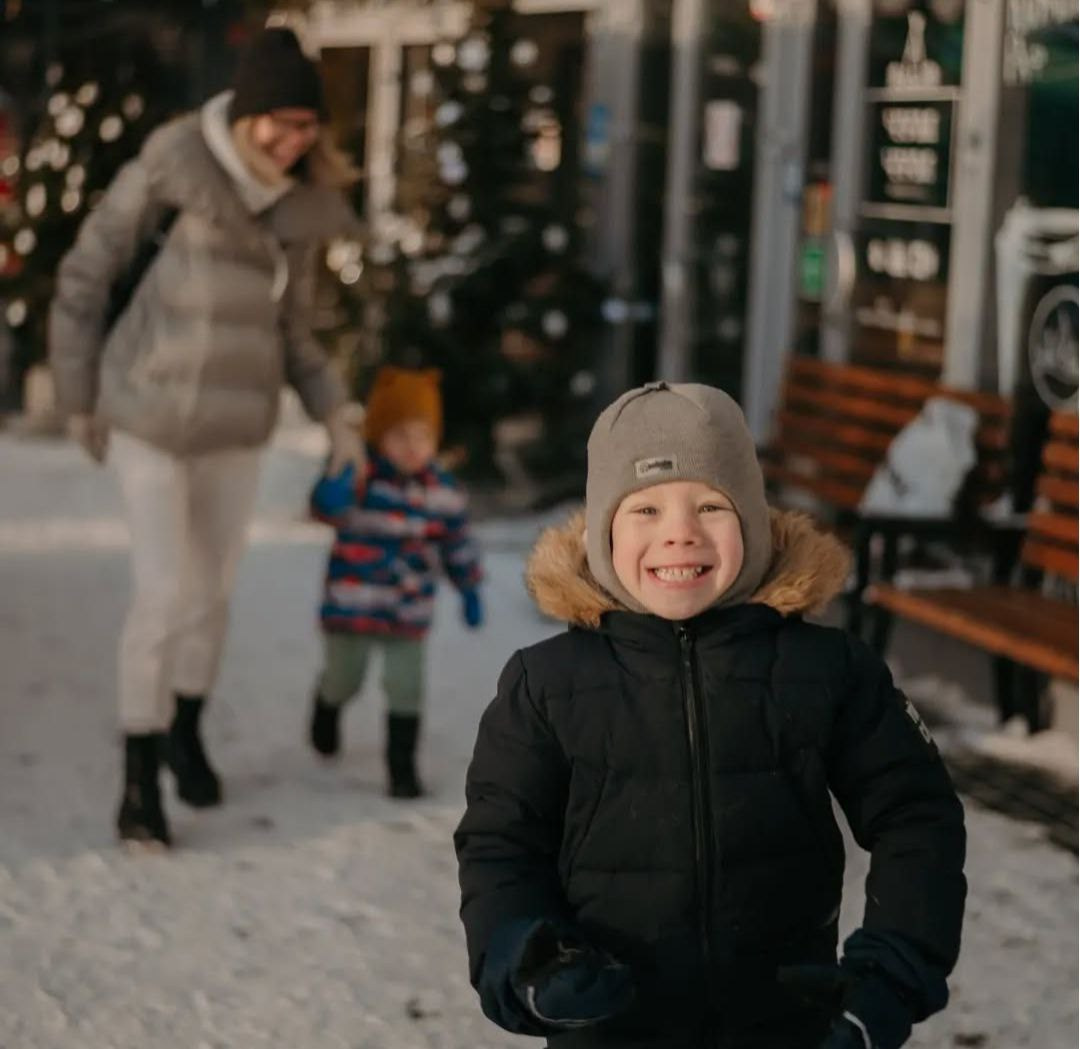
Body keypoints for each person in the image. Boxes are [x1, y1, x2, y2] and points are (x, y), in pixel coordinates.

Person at [454, 381, 966, 1049]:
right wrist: (529, 960)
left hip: (789, 1027)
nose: (680, 533)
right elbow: (501, 846)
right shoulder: (546, 685)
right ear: (604, 531)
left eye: (710, 504)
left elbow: (916, 815)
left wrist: (888, 975)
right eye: (645, 508)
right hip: (611, 1028)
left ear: (752, 519)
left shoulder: (829, 670)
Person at [48, 27, 363, 849]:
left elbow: (293, 333)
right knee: (163, 593)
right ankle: (138, 774)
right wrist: (78, 395)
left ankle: (186, 725)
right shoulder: (172, 168)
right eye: (280, 123)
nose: (294, 141)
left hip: (236, 424)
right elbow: (86, 275)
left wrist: (337, 410)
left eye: (307, 127)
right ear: (248, 112)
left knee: (212, 594)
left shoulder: (292, 209)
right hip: (148, 416)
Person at [308, 365, 483, 798]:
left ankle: (401, 768)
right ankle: (327, 705)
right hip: (352, 605)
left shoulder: (444, 492)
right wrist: (332, 489)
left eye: (422, 436)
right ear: (379, 437)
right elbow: (325, 509)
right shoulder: (361, 479)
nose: (412, 447)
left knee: (407, 688)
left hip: (408, 609)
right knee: (344, 678)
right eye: (399, 436)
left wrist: (469, 586)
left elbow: (457, 543)